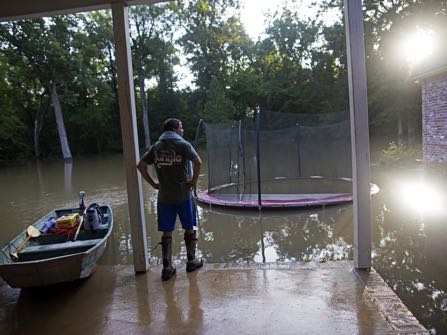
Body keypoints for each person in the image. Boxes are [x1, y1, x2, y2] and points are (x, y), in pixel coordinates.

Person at [137, 118, 203, 281]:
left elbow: (141, 166)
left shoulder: (156, 147)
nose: (183, 130)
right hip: (184, 196)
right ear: (174, 129)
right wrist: (194, 180)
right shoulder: (183, 145)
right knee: (190, 226)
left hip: (164, 197)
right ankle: (191, 261)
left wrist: (153, 183)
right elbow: (198, 161)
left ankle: (167, 267)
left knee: (167, 231)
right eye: (181, 127)